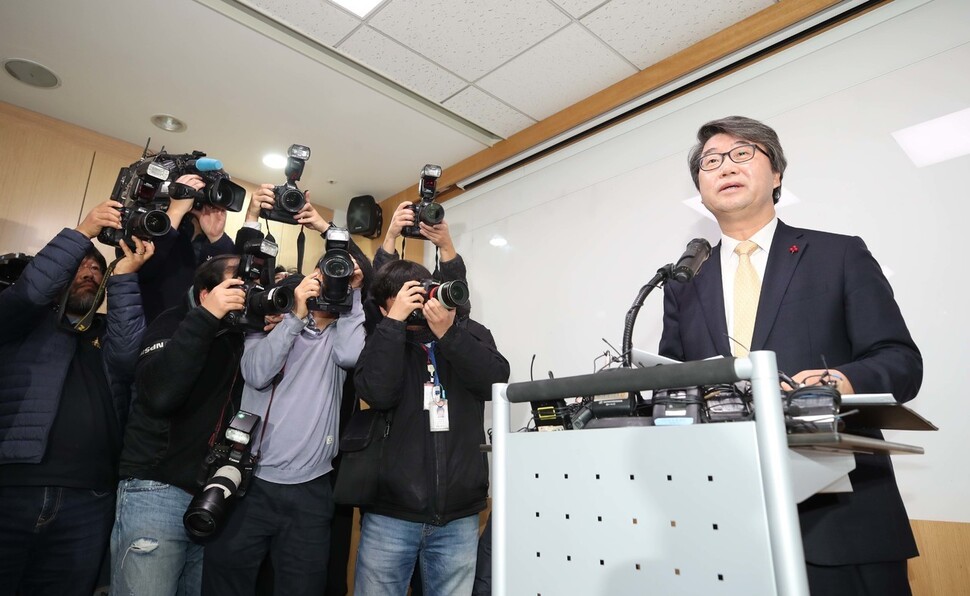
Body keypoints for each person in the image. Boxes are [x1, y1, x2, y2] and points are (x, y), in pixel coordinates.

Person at [658, 115, 922, 595]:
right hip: (726, 520)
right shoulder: (683, 282)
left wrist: (837, 381)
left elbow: (901, 361)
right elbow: (670, 382)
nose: (724, 167)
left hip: (840, 515)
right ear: (700, 187)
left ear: (776, 174)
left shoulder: (838, 255)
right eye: (710, 161)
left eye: (742, 154)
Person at [0, 200, 152, 595]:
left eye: (97, 268)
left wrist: (125, 275)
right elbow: (28, 293)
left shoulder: (107, 333)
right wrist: (82, 234)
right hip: (13, 489)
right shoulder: (22, 324)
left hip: (90, 499)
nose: (90, 271)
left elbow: (130, 354)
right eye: (80, 265)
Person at [201, 252, 367, 595]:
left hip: (312, 489)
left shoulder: (341, 332)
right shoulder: (270, 318)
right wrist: (294, 316)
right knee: (227, 583)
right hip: (251, 482)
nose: (329, 282)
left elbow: (351, 355)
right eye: (324, 274)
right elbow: (257, 374)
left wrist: (355, 293)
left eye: (338, 278)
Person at [353, 259, 510, 596]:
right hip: (391, 514)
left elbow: (495, 383)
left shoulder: (468, 332)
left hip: (459, 514)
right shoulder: (381, 339)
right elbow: (377, 393)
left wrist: (450, 335)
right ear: (383, 307)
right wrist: (393, 325)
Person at [110, 253, 249, 596]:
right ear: (205, 293)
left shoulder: (239, 336)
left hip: (211, 500)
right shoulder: (173, 323)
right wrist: (206, 318)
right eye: (236, 285)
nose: (245, 293)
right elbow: (158, 395)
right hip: (156, 491)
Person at [137, 173, 263, 324]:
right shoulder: (148, 227)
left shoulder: (218, 244)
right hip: (156, 336)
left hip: (210, 338)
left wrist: (217, 237)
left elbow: (240, 278)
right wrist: (175, 211)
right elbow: (144, 268)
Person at [374, 201, 470, 321]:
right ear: (383, 310)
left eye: (420, 294)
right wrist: (390, 237)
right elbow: (378, 292)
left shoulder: (445, 324)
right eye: (407, 296)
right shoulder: (381, 329)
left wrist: (446, 246)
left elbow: (457, 301)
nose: (416, 304)